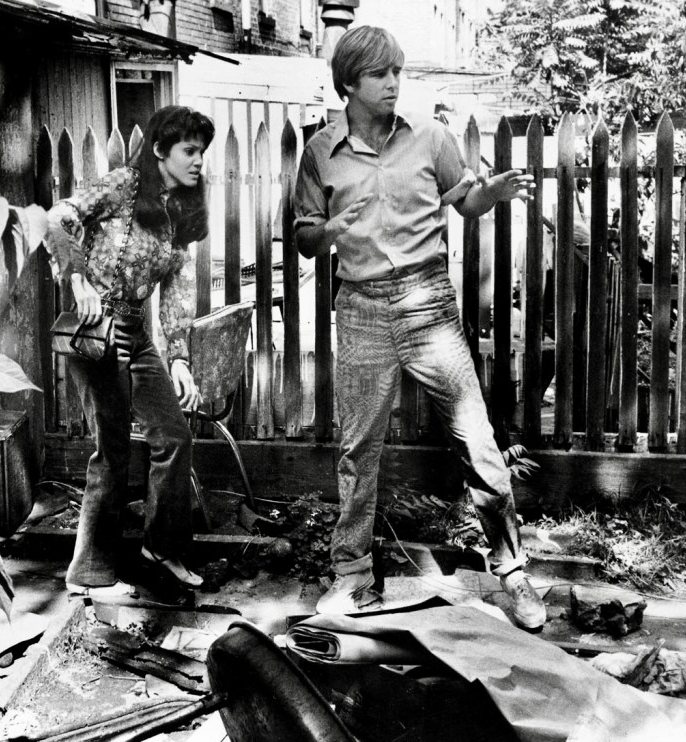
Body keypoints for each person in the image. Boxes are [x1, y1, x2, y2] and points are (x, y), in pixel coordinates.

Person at [293, 26, 547, 630]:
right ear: (349, 83)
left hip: (427, 301)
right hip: (362, 309)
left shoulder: (431, 137)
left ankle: (513, 572)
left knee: (477, 440)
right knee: (359, 448)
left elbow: (466, 202)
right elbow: (305, 238)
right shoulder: (320, 152)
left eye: (397, 72)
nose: (393, 83)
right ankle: (351, 574)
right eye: (379, 74)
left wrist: (493, 192)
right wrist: (329, 231)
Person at [45, 105, 214, 598]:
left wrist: (179, 358)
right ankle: (89, 573)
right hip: (95, 331)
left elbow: (178, 286)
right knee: (113, 449)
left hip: (136, 333)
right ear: (160, 150)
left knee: (174, 436)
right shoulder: (123, 185)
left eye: (202, 152)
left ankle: (161, 548)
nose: (198, 160)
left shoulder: (180, 208)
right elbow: (58, 218)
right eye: (189, 150)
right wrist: (77, 278)